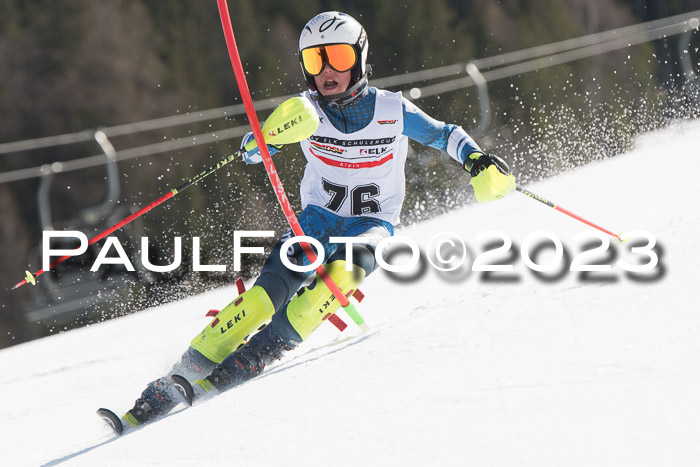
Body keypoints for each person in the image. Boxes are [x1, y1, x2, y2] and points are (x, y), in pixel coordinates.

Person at [122, 11, 515, 427]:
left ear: (360, 60)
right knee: (260, 301)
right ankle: (182, 374)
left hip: (370, 225)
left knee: (339, 280)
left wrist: (476, 159)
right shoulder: (305, 112)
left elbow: (444, 133)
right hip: (313, 222)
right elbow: (256, 149)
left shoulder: (391, 109)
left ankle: (261, 353)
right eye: (314, 61)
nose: (327, 71)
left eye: (339, 58)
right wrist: (262, 140)